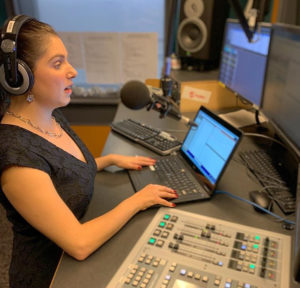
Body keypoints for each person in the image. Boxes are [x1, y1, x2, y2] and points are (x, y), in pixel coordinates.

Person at [0, 15, 177, 288]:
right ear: (19, 76)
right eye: (58, 63)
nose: (73, 71)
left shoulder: (50, 116)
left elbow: (61, 170)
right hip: (53, 276)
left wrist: (109, 160)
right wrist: (138, 201)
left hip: (76, 264)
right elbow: (79, 243)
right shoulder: (16, 158)